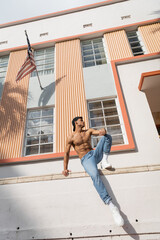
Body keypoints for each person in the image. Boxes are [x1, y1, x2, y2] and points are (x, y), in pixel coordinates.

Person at [62, 116, 124, 227]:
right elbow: (66, 153)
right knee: (95, 175)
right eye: (81, 120)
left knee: (107, 137)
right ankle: (111, 205)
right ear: (76, 122)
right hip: (86, 159)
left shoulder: (88, 131)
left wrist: (102, 131)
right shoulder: (70, 137)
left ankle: (104, 161)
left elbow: (98, 132)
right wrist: (65, 168)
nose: (83, 121)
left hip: (94, 154)